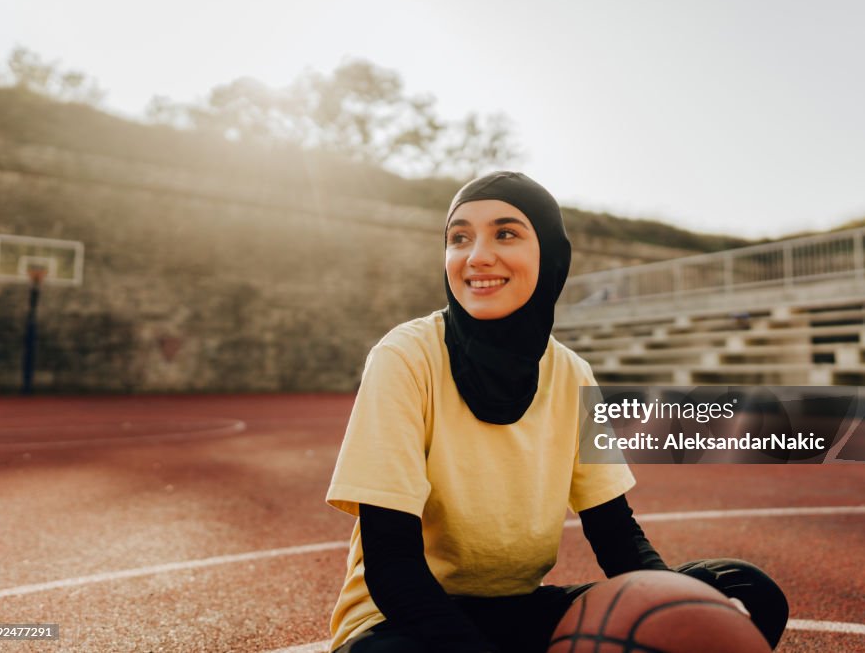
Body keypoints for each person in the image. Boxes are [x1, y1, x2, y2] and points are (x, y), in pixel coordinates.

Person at [326, 172, 788, 653]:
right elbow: (392, 566)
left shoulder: (571, 371)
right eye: (459, 237)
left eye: (505, 233)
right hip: (404, 620)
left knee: (743, 592)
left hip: (517, 610)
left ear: (550, 254)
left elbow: (615, 534)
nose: (477, 255)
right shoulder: (405, 356)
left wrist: (679, 605)